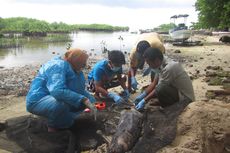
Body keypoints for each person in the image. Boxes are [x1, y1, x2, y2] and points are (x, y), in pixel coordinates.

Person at [26, 48, 97, 132]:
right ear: (74, 61)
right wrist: (83, 99)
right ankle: (52, 127)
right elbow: (57, 91)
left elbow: (78, 89)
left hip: (52, 98)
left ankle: (60, 118)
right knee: (62, 104)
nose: (82, 67)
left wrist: (91, 100)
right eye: (81, 64)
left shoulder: (72, 68)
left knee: (87, 101)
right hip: (38, 100)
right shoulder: (57, 66)